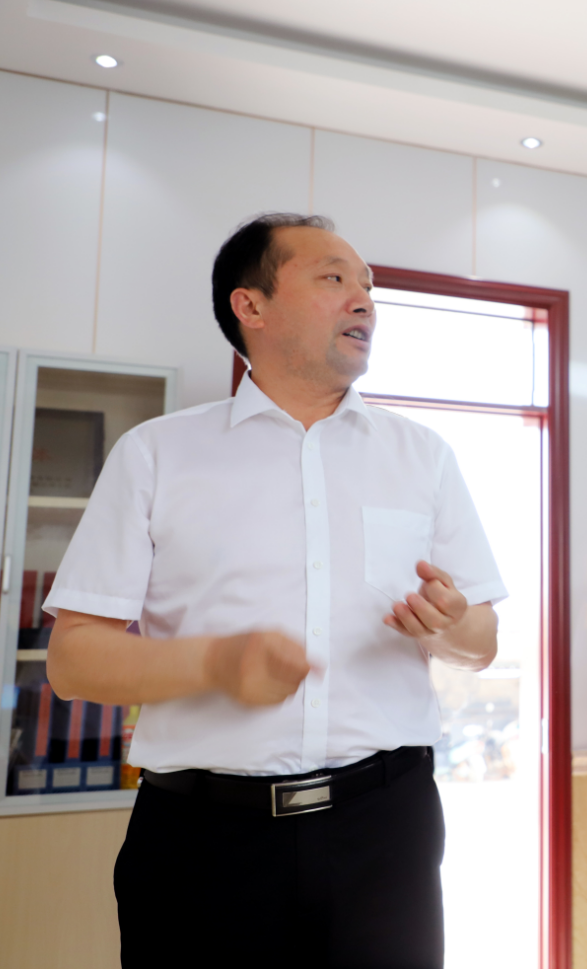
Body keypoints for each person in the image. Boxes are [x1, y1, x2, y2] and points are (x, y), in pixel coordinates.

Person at [45, 213, 506, 969]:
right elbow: (73, 660)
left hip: (385, 832)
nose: (364, 299)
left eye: (368, 285)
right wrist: (216, 664)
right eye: (334, 277)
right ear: (251, 305)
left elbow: (481, 642)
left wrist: (448, 623)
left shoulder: (422, 455)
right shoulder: (156, 454)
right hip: (204, 840)